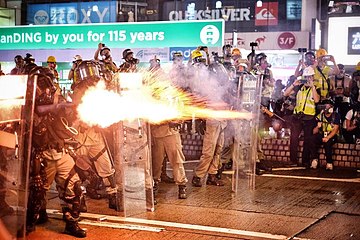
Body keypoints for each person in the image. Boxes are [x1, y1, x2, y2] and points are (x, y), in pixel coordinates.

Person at [284, 66, 320, 167]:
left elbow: (316, 100)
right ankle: (293, 161)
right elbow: (286, 93)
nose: (308, 79)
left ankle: (305, 161)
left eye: (310, 77)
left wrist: (312, 86)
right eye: (306, 77)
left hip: (309, 117)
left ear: (313, 77)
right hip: (297, 117)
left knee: (307, 140)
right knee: (294, 138)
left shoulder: (316, 88)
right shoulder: (299, 88)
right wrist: (293, 85)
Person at [151, 121, 188, 199]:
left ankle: (182, 185)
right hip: (156, 133)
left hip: (171, 132)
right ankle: (154, 184)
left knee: (176, 160)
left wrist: (177, 121)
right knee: (156, 162)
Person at [312, 99, 340, 170]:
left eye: (328, 106)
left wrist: (328, 137)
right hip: (322, 134)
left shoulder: (336, 115)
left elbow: (335, 129)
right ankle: (315, 160)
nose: (326, 108)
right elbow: (314, 132)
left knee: (328, 143)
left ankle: (329, 162)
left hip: (332, 135)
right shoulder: (320, 116)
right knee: (313, 139)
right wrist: (317, 127)